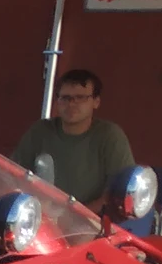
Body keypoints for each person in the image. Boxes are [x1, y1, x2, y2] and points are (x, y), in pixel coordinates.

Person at [10, 68, 135, 206]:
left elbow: (118, 193)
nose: (71, 103)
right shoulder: (40, 131)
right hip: (40, 220)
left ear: (96, 102)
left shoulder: (110, 136)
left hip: (92, 223)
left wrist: (76, 219)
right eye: (65, 98)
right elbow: (14, 176)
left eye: (80, 97)